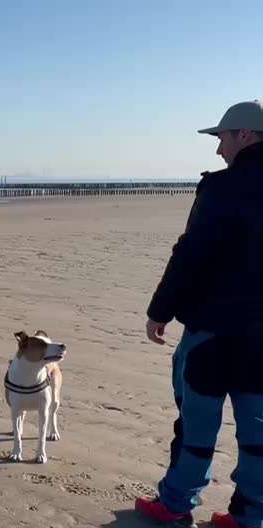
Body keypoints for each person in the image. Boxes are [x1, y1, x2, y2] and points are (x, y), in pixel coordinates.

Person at [135, 100, 263, 528]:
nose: (218, 148)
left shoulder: (223, 188)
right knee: (259, 431)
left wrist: (160, 310)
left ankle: (175, 504)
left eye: (222, 138)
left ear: (244, 134)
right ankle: (250, 515)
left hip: (213, 330)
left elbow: (191, 254)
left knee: (196, 424)